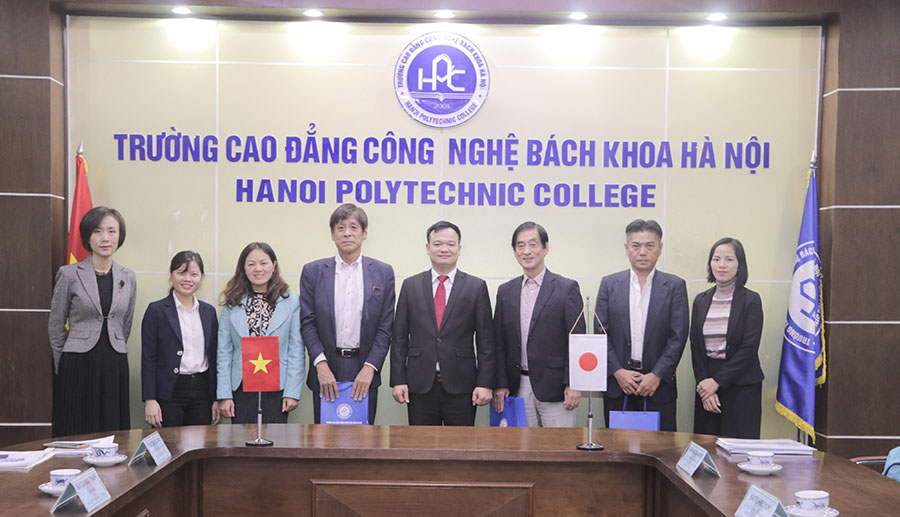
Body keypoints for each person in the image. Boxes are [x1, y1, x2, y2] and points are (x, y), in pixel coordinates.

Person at [390, 221, 495, 426]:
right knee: (421, 443)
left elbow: (486, 342)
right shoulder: (411, 286)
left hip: (462, 385)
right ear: (428, 248)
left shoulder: (476, 287)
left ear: (459, 248)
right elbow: (399, 338)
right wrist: (398, 380)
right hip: (419, 384)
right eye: (437, 244)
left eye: (450, 244)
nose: (444, 249)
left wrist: (485, 383)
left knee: (460, 443)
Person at [300, 204, 395, 425]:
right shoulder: (313, 272)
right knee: (324, 439)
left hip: (365, 368)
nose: (347, 233)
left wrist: (370, 367)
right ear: (332, 234)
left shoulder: (383, 272)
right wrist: (320, 364)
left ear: (364, 233)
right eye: (340, 228)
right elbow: (307, 322)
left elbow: (385, 326)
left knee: (364, 440)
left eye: (354, 227)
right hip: (326, 367)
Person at [48, 206, 136, 437]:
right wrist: (63, 363)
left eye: (111, 231)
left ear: (120, 236)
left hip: (114, 362)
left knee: (112, 431)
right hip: (78, 363)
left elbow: (125, 323)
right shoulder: (69, 274)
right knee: (76, 429)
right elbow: (56, 325)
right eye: (97, 231)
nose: (105, 238)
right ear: (87, 236)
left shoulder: (128, 277)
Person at [595, 219, 688, 432]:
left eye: (650, 245)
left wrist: (657, 375)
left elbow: (678, 336)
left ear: (660, 248)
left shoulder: (675, 286)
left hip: (658, 387)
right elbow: (601, 333)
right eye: (636, 246)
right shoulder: (610, 284)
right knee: (618, 448)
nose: (643, 252)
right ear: (627, 248)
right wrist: (618, 371)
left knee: (661, 449)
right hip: (618, 386)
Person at [492, 222, 586, 427]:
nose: (526, 251)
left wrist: (574, 383)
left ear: (546, 247)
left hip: (557, 389)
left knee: (559, 445)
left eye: (533, 244)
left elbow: (577, 341)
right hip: (518, 387)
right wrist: (500, 384)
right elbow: (498, 343)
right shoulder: (505, 291)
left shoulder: (566, 288)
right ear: (515, 251)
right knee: (523, 445)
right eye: (520, 246)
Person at [216, 242, 304, 423]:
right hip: (240, 386)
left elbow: (296, 349)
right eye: (251, 264)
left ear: (274, 265)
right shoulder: (232, 301)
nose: (258, 269)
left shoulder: (292, 301)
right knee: (241, 438)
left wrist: (292, 392)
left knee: (275, 438)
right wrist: (224, 394)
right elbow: (224, 350)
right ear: (243, 268)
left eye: (263, 263)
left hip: (278, 386)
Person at [690, 237, 764, 438]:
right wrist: (706, 386)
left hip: (741, 386)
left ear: (740, 265)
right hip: (707, 388)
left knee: (739, 450)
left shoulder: (751, 300)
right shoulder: (701, 301)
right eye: (716, 259)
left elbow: (749, 348)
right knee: (707, 448)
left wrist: (717, 381)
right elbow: (695, 346)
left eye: (729, 259)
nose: (721, 265)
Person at [141, 251, 220, 428]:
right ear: (171, 275)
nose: (187, 279)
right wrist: (150, 399)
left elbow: (214, 357)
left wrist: (216, 398)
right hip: (169, 392)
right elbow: (148, 358)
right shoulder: (156, 310)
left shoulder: (208, 312)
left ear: (201, 277)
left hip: (202, 392)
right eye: (181, 273)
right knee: (170, 443)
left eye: (194, 274)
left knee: (199, 442)